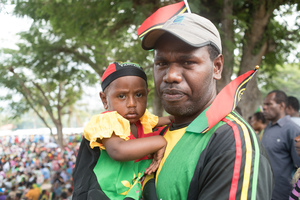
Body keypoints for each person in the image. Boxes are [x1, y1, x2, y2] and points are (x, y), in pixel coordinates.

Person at [140, 12, 273, 199]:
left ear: (217, 67)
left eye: (187, 62)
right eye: (161, 63)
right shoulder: (158, 132)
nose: (170, 76)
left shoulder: (232, 143)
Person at [73, 62, 172, 199]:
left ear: (147, 95)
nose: (132, 103)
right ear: (104, 99)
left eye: (139, 95)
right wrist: (159, 141)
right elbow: (118, 150)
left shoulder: (143, 120)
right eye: (121, 96)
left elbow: (169, 120)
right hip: (101, 193)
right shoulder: (107, 121)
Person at [262, 90, 300, 199]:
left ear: (282, 106)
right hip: (264, 191)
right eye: (264, 104)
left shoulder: (292, 130)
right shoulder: (268, 128)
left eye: (268, 104)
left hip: (282, 194)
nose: (264, 107)